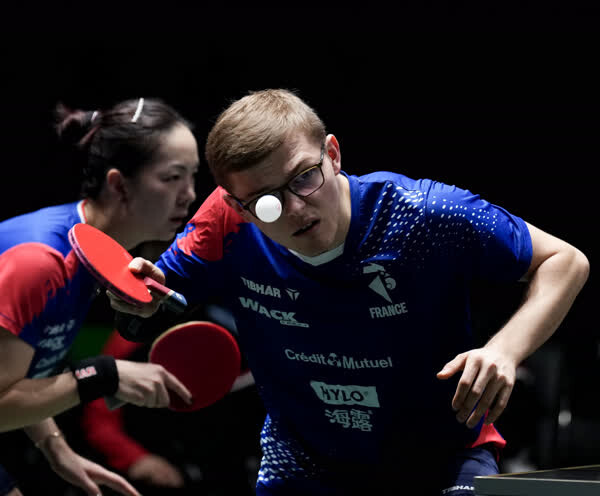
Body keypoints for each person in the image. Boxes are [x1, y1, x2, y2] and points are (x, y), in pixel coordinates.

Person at [110, 89, 590, 495]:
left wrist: (505, 350)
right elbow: (147, 302)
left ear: (333, 154)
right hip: (304, 461)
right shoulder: (226, 224)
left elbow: (565, 261)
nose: (296, 209)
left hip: (441, 457)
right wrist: (133, 296)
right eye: (268, 203)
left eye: (305, 177)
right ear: (239, 207)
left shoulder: (422, 214)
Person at [0, 97, 199, 496]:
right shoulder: (42, 262)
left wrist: (55, 448)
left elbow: (18, 376)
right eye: (172, 177)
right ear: (119, 184)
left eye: (192, 176)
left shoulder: (92, 256)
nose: (189, 195)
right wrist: (105, 376)